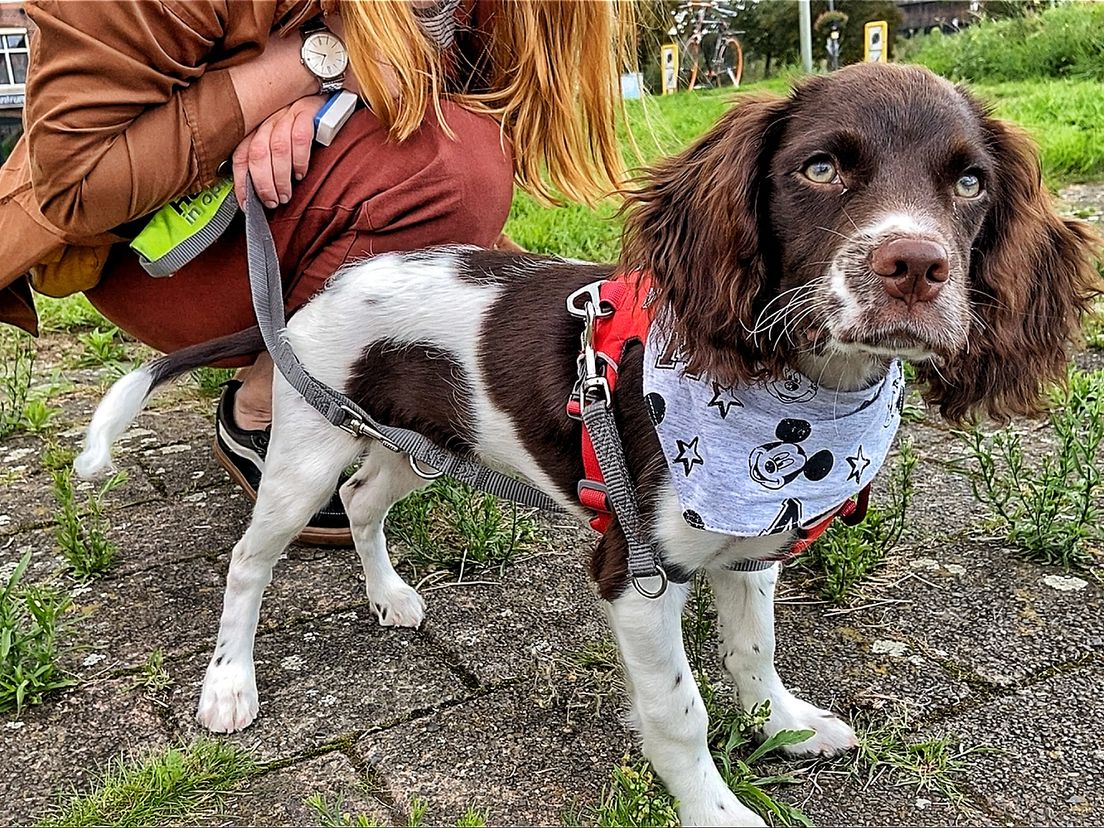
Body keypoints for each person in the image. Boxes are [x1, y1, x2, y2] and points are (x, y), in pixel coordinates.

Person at [0, 0, 635, 544]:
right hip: (150, 253)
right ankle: (262, 410)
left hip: (282, 196)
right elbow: (77, 188)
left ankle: (340, 374)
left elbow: (425, 98)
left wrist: (326, 106)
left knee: (456, 154)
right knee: (455, 166)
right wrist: (307, 61)